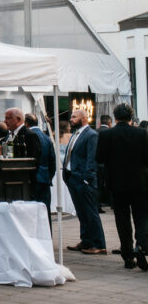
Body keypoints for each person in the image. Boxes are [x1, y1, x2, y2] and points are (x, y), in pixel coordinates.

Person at [95, 103, 148, 271]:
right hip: (139, 182)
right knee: (142, 217)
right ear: (131, 116)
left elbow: (99, 158)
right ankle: (141, 245)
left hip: (117, 183)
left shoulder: (107, 134)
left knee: (122, 219)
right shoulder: (142, 133)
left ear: (115, 117)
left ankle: (127, 254)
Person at [63, 108, 107, 254]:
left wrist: (87, 178)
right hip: (73, 178)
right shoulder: (76, 134)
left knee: (90, 212)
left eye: (74, 116)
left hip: (83, 179)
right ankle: (86, 240)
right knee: (82, 212)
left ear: (84, 118)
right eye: (71, 116)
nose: (71, 119)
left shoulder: (91, 135)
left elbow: (92, 158)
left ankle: (98, 244)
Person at [25, 113, 56, 231]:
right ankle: (47, 236)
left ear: (26, 123)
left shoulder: (29, 135)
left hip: (35, 178)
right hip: (45, 177)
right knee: (45, 211)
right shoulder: (46, 137)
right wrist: (49, 176)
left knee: (33, 210)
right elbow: (52, 160)